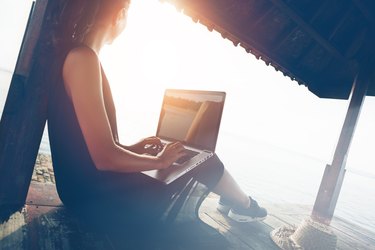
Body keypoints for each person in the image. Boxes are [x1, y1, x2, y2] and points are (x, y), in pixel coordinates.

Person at [47, 0, 267, 232]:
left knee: (186, 156)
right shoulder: (84, 58)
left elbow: (87, 148)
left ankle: (232, 198)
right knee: (203, 158)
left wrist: (135, 147)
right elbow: (103, 157)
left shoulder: (82, 57)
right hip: (96, 198)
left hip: (84, 191)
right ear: (120, 14)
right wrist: (159, 161)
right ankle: (246, 205)